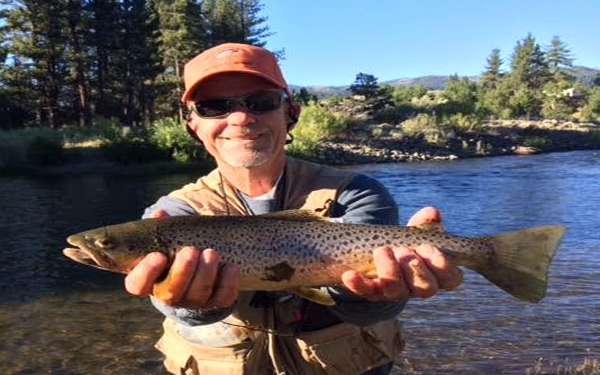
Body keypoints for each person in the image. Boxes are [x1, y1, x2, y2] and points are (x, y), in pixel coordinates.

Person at [124, 43, 463, 375]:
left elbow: (369, 309)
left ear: (291, 113)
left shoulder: (356, 192)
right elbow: (178, 306)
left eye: (261, 102)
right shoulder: (173, 213)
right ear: (193, 126)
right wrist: (182, 302)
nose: (241, 117)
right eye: (214, 106)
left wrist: (375, 294)